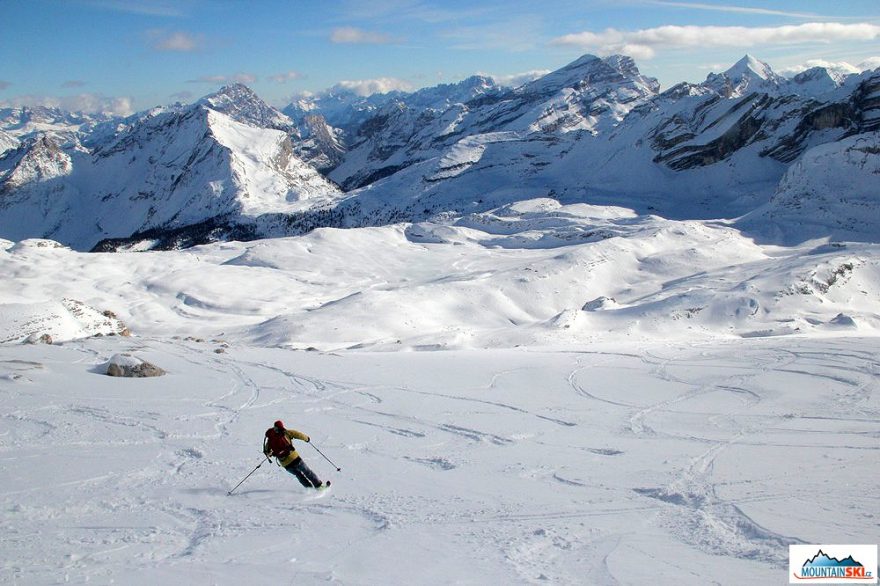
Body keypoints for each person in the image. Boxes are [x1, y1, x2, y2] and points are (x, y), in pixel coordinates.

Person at [263, 420, 327, 489]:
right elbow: (298, 434)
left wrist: (270, 453)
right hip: (294, 458)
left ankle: (309, 489)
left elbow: (266, 452)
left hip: (285, 464)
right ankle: (318, 486)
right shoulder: (285, 433)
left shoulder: (270, 440)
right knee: (307, 471)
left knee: (299, 475)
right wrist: (307, 439)